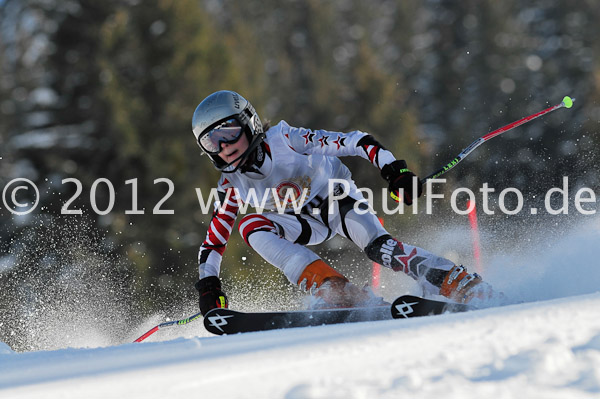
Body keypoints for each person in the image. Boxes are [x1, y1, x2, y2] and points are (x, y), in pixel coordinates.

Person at [192, 90, 499, 315]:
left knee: (381, 249)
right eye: (210, 142)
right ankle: (339, 292)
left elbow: (356, 141)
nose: (223, 147)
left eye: (228, 132)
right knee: (251, 226)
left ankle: (458, 283)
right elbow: (214, 242)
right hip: (304, 222)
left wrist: (396, 172)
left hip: (338, 200)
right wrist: (209, 287)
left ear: (249, 123)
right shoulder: (230, 185)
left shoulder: (285, 139)